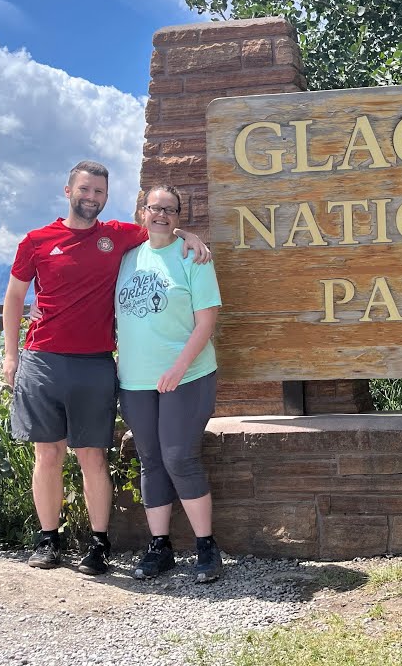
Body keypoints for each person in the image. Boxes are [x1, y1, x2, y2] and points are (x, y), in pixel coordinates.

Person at [2, 161, 210, 575]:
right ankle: (49, 539)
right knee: (47, 453)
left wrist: (191, 235)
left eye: (99, 192)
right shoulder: (36, 241)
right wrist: (11, 355)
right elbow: (13, 298)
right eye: (85, 189)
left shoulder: (116, 237)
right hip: (42, 359)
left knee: (92, 455)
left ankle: (98, 544)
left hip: (96, 363)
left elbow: (161, 228)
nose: (91, 197)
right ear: (68, 190)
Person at [115, 184, 223, 583]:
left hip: (188, 374)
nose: (162, 215)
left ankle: (206, 547)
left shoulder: (193, 257)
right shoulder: (126, 258)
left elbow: (206, 321)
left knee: (180, 457)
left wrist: (179, 367)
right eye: (155, 208)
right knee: (151, 459)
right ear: (142, 212)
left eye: (171, 210)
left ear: (179, 218)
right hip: (136, 380)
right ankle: (159, 547)